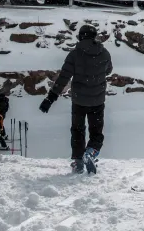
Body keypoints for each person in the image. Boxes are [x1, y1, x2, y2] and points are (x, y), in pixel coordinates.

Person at [40, 23, 112, 174]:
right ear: (94, 37)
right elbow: (109, 70)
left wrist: (50, 98)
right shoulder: (104, 53)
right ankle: (91, 152)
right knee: (96, 131)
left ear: (80, 37)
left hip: (79, 101)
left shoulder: (74, 54)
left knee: (78, 130)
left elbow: (63, 79)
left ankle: (78, 161)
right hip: (97, 101)